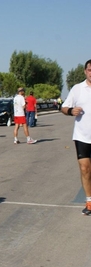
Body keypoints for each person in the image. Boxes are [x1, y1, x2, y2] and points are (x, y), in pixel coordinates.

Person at [61, 59, 91, 215]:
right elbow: (63, 107)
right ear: (85, 71)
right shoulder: (77, 89)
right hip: (82, 137)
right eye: (90, 70)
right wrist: (71, 110)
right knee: (85, 169)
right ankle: (89, 202)